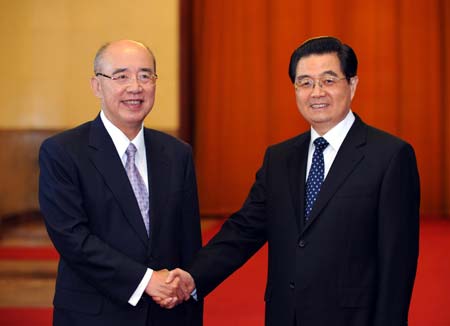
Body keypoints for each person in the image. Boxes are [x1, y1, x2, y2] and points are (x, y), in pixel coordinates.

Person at [166, 36, 420, 325]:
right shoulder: (280, 158)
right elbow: (243, 230)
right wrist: (191, 277)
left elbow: (397, 265)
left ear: (352, 85)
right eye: (305, 82)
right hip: (285, 315)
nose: (316, 92)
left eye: (328, 80)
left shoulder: (390, 156)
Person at [39, 40, 203, 326]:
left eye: (145, 75)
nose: (135, 87)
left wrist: (187, 301)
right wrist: (146, 280)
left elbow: (188, 243)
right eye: (121, 76)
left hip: (168, 314)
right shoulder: (63, 152)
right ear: (96, 86)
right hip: (94, 314)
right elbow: (72, 238)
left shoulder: (177, 153)